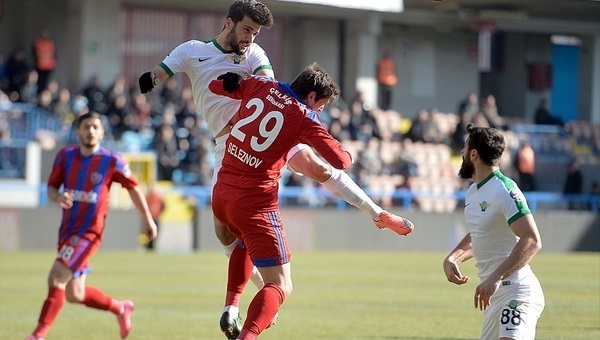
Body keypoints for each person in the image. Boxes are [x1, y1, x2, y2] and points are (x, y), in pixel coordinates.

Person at [138, 1, 414, 337]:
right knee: (228, 235)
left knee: (317, 169)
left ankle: (375, 212)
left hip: (262, 139)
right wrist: (150, 79)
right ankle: (245, 302)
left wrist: (245, 85)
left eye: (256, 33)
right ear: (229, 23)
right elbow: (162, 72)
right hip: (230, 144)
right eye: (247, 30)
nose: (251, 38)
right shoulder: (192, 51)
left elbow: (269, 88)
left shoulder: (255, 55)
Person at [209, 63, 374, 340]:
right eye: (320, 105)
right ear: (310, 97)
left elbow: (217, 86)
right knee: (281, 285)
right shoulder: (302, 116)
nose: (319, 111)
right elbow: (340, 161)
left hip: (222, 194)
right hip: (254, 205)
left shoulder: (260, 85)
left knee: (244, 243)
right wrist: (350, 154)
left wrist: (236, 81)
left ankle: (231, 305)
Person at [25, 112, 158, 340]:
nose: (91, 131)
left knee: (56, 276)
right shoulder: (65, 156)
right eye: (86, 127)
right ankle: (120, 308)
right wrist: (58, 197)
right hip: (67, 232)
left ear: (102, 132)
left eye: (96, 127)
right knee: (74, 294)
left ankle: (38, 335)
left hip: (89, 234)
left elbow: (134, 188)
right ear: (77, 130)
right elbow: (51, 188)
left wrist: (146, 217)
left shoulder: (112, 161)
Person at [443, 124, 545, 340]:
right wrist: (453, 258)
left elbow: (532, 240)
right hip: (493, 296)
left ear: (473, 154)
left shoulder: (504, 189)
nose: (462, 153)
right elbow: (479, 234)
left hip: (517, 290)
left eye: (465, 148)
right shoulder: (473, 192)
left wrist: (496, 276)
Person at [32, 27, 57, 92]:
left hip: (49, 66)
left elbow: (54, 54)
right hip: (39, 66)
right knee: (40, 82)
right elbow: (34, 54)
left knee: (47, 82)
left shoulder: (50, 43)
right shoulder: (37, 42)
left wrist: (54, 63)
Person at [142, 183, 165, 250]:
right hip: (148, 218)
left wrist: (159, 213)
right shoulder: (146, 197)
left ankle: (152, 246)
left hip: (156, 218)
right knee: (148, 233)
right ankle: (148, 246)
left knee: (155, 233)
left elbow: (163, 206)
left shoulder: (158, 197)